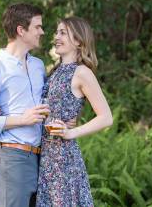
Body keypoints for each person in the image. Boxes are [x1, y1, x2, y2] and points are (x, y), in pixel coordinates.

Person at [0, 3, 75, 207]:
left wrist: (64, 120)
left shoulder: (38, 65)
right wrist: (22, 120)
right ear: (21, 30)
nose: (42, 32)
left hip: (45, 158)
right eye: (37, 26)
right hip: (13, 159)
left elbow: (45, 107)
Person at [36, 16, 113, 207]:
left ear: (78, 41)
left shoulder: (82, 73)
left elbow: (106, 117)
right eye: (56, 32)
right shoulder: (54, 71)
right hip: (44, 156)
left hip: (62, 159)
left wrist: (72, 132)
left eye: (63, 32)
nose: (56, 36)